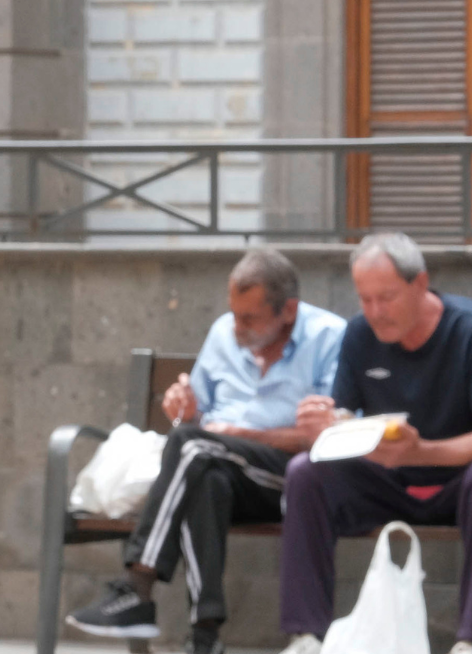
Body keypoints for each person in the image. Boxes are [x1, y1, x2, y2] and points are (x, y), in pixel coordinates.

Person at [68, 248, 347, 654]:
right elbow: (195, 419)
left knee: (193, 448)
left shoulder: (330, 338)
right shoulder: (222, 334)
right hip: (219, 466)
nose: (236, 328)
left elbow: (329, 436)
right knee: (204, 475)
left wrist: (240, 434)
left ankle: (138, 586)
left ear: (288, 311)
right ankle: (204, 636)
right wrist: (186, 408)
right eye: (233, 313)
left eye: (249, 318)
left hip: (292, 476)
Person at [276, 232, 472, 654]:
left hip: (459, 484)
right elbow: (346, 420)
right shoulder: (358, 335)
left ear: (420, 284)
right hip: (387, 482)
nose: (375, 312)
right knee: (305, 472)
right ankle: (306, 638)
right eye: (365, 299)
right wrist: (324, 427)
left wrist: (422, 451)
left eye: (386, 297)